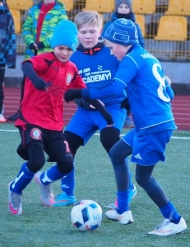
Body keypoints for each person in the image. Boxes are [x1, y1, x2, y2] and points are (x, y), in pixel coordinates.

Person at [64, 18, 187, 236]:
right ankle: (122, 209)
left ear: (123, 42)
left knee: (143, 178)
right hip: (149, 124)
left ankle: (174, 219)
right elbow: (170, 93)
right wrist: (135, 99)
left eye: (111, 47)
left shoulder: (131, 59)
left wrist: (79, 93)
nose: (110, 52)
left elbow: (113, 89)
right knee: (117, 153)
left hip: (153, 126)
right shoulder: (147, 56)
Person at [7, 20, 113, 215]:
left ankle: (45, 182)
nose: (64, 52)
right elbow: (26, 66)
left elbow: (84, 92)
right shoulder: (45, 59)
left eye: (68, 49)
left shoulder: (72, 68)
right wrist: (37, 80)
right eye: (60, 48)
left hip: (54, 125)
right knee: (37, 160)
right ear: (54, 46)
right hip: (32, 119)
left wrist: (103, 112)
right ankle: (15, 189)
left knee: (66, 163)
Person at [52, 11, 137, 207]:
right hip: (85, 112)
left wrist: (132, 101)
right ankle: (67, 193)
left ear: (100, 32)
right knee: (65, 147)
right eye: (83, 32)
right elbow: (70, 88)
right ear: (77, 34)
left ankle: (129, 188)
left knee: (111, 143)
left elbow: (130, 76)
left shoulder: (112, 51)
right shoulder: (73, 58)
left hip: (112, 108)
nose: (88, 36)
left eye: (92, 31)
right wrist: (83, 102)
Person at [8, 0, 68, 121]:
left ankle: (47, 114)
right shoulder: (34, 9)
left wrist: (43, 43)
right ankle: (22, 112)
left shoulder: (60, 11)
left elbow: (60, 31)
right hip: (32, 54)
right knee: (26, 85)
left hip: (48, 55)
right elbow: (26, 27)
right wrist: (30, 42)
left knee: (48, 87)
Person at [102, 0, 145, 128]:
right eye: (121, 6)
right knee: (115, 85)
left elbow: (140, 43)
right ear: (117, 9)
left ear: (130, 9)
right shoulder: (110, 25)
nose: (123, 9)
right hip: (113, 61)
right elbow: (105, 42)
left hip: (129, 62)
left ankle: (127, 116)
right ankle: (109, 110)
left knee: (129, 87)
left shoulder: (135, 26)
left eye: (126, 7)